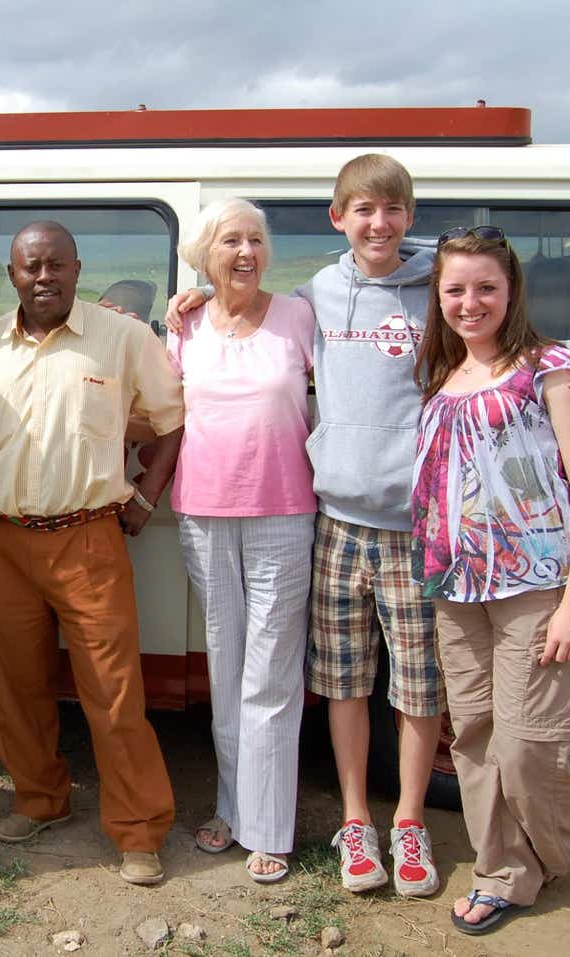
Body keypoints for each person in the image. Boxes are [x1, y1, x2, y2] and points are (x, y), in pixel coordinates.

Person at [165, 154, 570, 897]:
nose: (378, 224)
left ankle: (407, 821)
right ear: (336, 219)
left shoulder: (435, 290)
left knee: (417, 688)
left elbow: (503, 330)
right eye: (361, 211)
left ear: (409, 215)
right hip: (336, 520)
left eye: (392, 210)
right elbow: (233, 324)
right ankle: (354, 821)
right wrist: (173, 305)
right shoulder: (313, 299)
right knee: (342, 681)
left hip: (417, 528)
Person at [0, 221, 185, 886]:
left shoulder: (124, 338)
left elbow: (171, 421)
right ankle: (39, 799)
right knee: (12, 685)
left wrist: (146, 497)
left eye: (55, 265)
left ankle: (137, 831)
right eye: (29, 267)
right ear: (11, 277)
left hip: (91, 539)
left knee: (114, 692)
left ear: (77, 269)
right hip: (7, 543)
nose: (43, 277)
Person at [411, 227, 570, 935]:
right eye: (456, 288)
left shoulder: (550, 368)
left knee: (527, 744)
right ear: (438, 296)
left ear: (512, 289)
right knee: (473, 739)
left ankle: (566, 837)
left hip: (534, 588)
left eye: (486, 286)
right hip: (456, 589)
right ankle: (504, 871)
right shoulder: (439, 373)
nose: (471, 301)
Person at [168, 199, 315, 884]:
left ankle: (270, 827)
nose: (246, 252)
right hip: (203, 512)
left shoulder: (298, 315)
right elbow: (162, 406)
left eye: (256, 239)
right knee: (225, 666)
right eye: (231, 240)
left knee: (271, 670)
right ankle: (232, 806)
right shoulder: (184, 322)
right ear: (206, 253)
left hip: (284, 510)